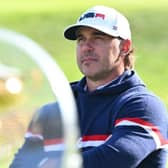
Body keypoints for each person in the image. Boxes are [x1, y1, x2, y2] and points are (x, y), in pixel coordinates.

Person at [10, 5, 168, 168]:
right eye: (81, 39)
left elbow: (112, 160)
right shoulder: (51, 113)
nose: (86, 47)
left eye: (98, 38)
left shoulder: (143, 106)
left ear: (124, 47)